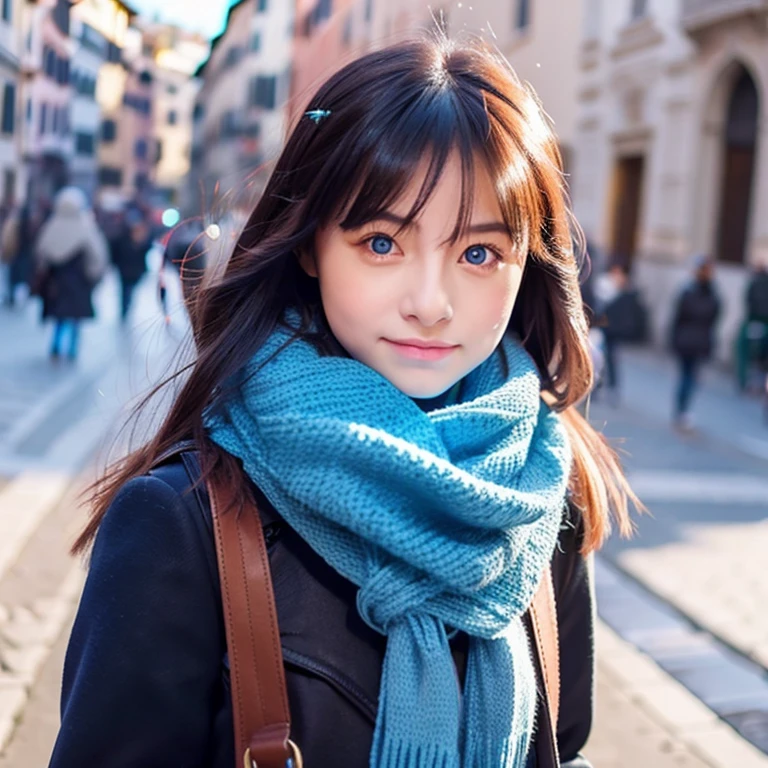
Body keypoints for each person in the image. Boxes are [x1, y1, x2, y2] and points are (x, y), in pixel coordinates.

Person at [50, 38, 638, 768]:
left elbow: (564, 745)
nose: (431, 304)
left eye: (479, 253)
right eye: (383, 242)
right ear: (310, 245)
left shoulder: (545, 488)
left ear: (529, 265)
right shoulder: (184, 521)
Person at [34, 187, 108, 361]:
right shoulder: (86, 227)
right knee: (75, 318)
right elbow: (97, 256)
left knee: (59, 316)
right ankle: (72, 350)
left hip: (57, 281)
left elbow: (40, 253)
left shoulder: (51, 227)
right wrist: (94, 276)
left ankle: (56, 346)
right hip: (78, 282)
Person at [670, 255, 721, 432]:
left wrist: (673, 338)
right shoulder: (712, 295)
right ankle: (683, 410)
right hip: (698, 341)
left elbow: (678, 317)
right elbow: (714, 319)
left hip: (686, 339)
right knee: (690, 376)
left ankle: (681, 409)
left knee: (686, 376)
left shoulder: (689, 292)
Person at [111, 211, 151, 321]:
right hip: (125, 271)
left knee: (129, 292)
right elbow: (116, 253)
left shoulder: (142, 240)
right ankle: (124, 310)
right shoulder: (122, 239)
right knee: (125, 292)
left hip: (134, 271)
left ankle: (126, 309)